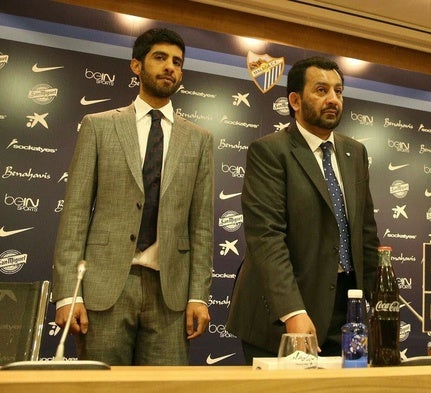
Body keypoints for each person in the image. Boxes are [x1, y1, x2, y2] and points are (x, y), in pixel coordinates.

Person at [52, 28, 214, 366]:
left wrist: (199, 294)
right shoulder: (98, 126)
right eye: (160, 58)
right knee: (100, 389)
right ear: (136, 66)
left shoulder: (199, 140)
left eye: (177, 62)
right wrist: (68, 293)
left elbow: (201, 225)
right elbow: (76, 214)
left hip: (171, 293)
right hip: (105, 287)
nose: (170, 67)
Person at [227, 56, 380, 363]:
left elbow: (365, 235)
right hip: (282, 314)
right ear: (294, 100)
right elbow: (266, 238)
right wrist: (293, 312)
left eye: (338, 91)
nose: (333, 99)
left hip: (345, 312)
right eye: (321, 90)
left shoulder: (355, 152)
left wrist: (379, 304)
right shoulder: (270, 151)